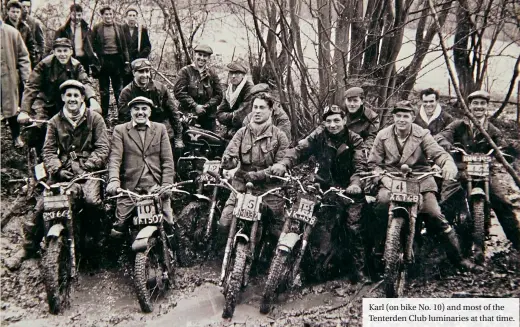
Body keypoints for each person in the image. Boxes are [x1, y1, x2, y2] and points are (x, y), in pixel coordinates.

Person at [7, 80, 109, 270]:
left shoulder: (95, 119)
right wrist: (58, 168)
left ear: (82, 98)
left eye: (76, 95)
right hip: (63, 172)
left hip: (89, 172)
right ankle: (28, 248)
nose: (72, 99)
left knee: (92, 202)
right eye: (68, 95)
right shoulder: (55, 122)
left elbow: (103, 148)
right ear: (62, 98)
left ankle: (96, 244)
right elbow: (48, 151)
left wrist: (88, 165)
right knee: (43, 205)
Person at [368, 100, 480, 272]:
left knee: (434, 214)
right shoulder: (383, 135)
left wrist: (447, 164)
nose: (402, 120)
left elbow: (438, 153)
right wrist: (382, 177)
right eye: (398, 116)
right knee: (381, 206)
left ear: (412, 117)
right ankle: (379, 255)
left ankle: (458, 259)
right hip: (392, 180)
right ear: (393, 117)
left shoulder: (422, 134)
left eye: (406, 116)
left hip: (420, 179)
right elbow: (374, 163)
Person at [270, 104, 369, 283]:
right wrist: (284, 163)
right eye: (328, 121)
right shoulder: (318, 135)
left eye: (337, 120)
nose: (332, 125)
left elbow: (360, 167)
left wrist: (355, 184)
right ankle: (292, 263)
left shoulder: (355, 140)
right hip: (322, 184)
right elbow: (298, 151)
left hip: (347, 189)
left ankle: (359, 269)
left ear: (344, 121)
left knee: (353, 226)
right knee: (300, 216)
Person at [435, 90, 520, 254]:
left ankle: (517, 243)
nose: (479, 107)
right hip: (462, 170)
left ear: (487, 106)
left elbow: (502, 145)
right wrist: (450, 147)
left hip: (486, 172)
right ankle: (442, 245)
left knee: (503, 203)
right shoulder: (458, 125)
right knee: (446, 201)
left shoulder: (493, 130)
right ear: (469, 106)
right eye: (475, 103)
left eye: (482, 103)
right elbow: (440, 137)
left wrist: (503, 152)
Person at [217, 92, 289, 249]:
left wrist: (257, 175)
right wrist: (229, 164)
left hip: (268, 188)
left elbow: (280, 165)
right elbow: (230, 155)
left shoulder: (280, 136)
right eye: (255, 107)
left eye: (262, 107)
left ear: (270, 110)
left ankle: (266, 266)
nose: (257, 111)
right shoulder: (242, 133)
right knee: (224, 223)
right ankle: (226, 257)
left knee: (276, 231)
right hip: (241, 186)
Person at [17, 38, 101, 154]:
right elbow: (31, 86)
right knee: (41, 126)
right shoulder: (44, 65)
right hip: (45, 101)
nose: (62, 54)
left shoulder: (76, 66)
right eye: (59, 51)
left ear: (71, 51)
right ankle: (38, 153)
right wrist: (24, 111)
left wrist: (92, 99)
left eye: (65, 51)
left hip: (65, 101)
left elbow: (85, 83)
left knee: (79, 123)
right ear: (54, 52)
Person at [107, 96, 175, 234]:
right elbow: (115, 159)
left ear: (150, 112)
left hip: (156, 187)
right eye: (136, 109)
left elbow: (167, 161)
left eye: (144, 109)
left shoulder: (160, 129)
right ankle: (120, 254)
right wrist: (114, 181)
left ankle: (172, 254)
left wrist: (166, 185)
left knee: (169, 224)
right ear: (130, 111)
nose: (140, 112)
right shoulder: (120, 130)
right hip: (131, 188)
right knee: (119, 227)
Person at [118, 58, 184, 151]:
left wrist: (178, 137)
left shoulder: (160, 88)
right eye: (141, 72)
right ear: (133, 73)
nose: (145, 75)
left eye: (147, 71)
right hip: (138, 127)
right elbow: (124, 119)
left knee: (169, 147)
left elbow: (173, 112)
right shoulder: (126, 93)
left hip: (160, 125)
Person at [91, 5, 131, 117]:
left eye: (110, 14)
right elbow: (92, 45)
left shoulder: (119, 27)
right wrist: (95, 61)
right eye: (106, 14)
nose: (108, 16)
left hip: (117, 60)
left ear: (113, 15)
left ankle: (122, 115)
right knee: (104, 90)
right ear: (102, 15)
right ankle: (103, 116)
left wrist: (126, 61)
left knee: (118, 89)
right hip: (103, 61)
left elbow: (124, 46)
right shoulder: (97, 28)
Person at [174, 44, 222, 132]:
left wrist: (206, 106)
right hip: (188, 114)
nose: (202, 58)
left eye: (205, 56)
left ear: (208, 58)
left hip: (208, 117)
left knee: (210, 141)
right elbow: (179, 92)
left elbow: (219, 95)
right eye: (199, 54)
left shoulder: (212, 74)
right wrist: (195, 106)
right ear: (194, 55)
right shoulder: (185, 71)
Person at [0, 17, 31, 148]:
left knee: (11, 109)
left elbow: (23, 57)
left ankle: (16, 136)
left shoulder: (12, 32)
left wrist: (26, 77)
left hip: (8, 78)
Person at [55, 3, 99, 76]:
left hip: (84, 60)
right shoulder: (63, 30)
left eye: (79, 15)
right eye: (74, 15)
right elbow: (56, 45)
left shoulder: (87, 29)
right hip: (69, 60)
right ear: (70, 14)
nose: (77, 17)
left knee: (83, 81)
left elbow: (93, 44)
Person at [216, 61, 254, 139]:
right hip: (233, 127)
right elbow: (219, 113)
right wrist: (233, 115)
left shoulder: (249, 88)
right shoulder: (230, 89)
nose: (233, 76)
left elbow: (242, 116)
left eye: (237, 73)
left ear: (243, 75)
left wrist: (230, 116)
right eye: (231, 73)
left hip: (248, 129)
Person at [343, 86, 380, 151]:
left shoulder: (372, 116)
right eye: (349, 100)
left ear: (362, 101)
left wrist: (363, 151)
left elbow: (372, 138)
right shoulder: (340, 112)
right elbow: (325, 125)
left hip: (359, 149)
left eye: (355, 101)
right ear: (345, 101)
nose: (351, 104)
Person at [122, 6, 151, 85]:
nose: (132, 18)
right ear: (126, 17)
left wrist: (140, 56)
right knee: (126, 85)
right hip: (125, 63)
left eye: (134, 15)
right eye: (130, 15)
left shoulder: (141, 30)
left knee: (139, 84)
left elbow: (148, 46)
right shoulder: (121, 29)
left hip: (138, 62)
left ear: (136, 17)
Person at [4, 0, 36, 66]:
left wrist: (32, 63)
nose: (15, 14)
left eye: (17, 12)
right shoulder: (3, 27)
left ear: (20, 12)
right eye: (13, 12)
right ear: (8, 12)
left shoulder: (25, 27)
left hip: (22, 60)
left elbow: (31, 46)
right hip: (7, 60)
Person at [20, 0, 45, 67]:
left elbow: (41, 43)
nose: (26, 9)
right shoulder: (15, 21)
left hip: (31, 58)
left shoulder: (35, 23)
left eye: (28, 7)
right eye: (24, 7)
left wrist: (37, 57)